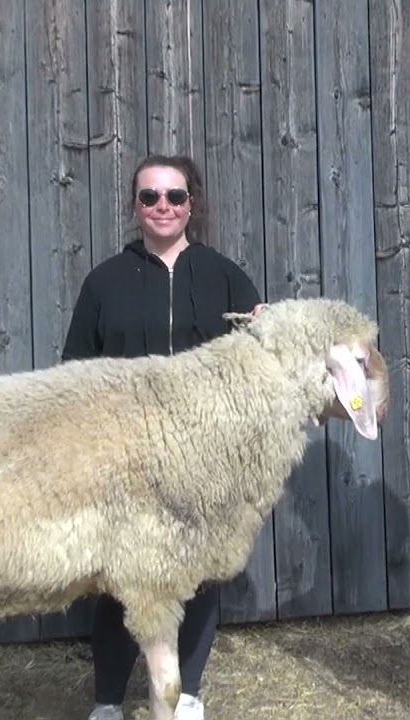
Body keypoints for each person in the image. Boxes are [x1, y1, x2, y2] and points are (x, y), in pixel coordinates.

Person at [62, 153, 264, 720]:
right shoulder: (104, 282)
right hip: (126, 459)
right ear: (135, 207)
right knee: (120, 578)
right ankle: (107, 701)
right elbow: (76, 367)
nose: (163, 207)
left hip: (206, 458)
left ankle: (186, 694)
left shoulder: (224, 274)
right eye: (150, 197)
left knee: (197, 574)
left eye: (174, 196)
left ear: (190, 205)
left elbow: (262, 357)